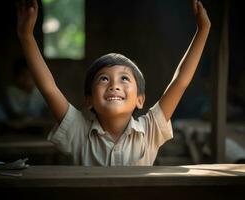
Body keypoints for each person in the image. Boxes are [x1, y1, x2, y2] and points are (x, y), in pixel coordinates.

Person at [16, 0, 210, 165]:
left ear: (140, 100)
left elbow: (180, 82)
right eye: (103, 79)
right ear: (89, 99)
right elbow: (49, 89)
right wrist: (26, 37)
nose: (114, 85)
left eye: (124, 78)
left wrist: (203, 30)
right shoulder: (78, 131)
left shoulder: (150, 129)